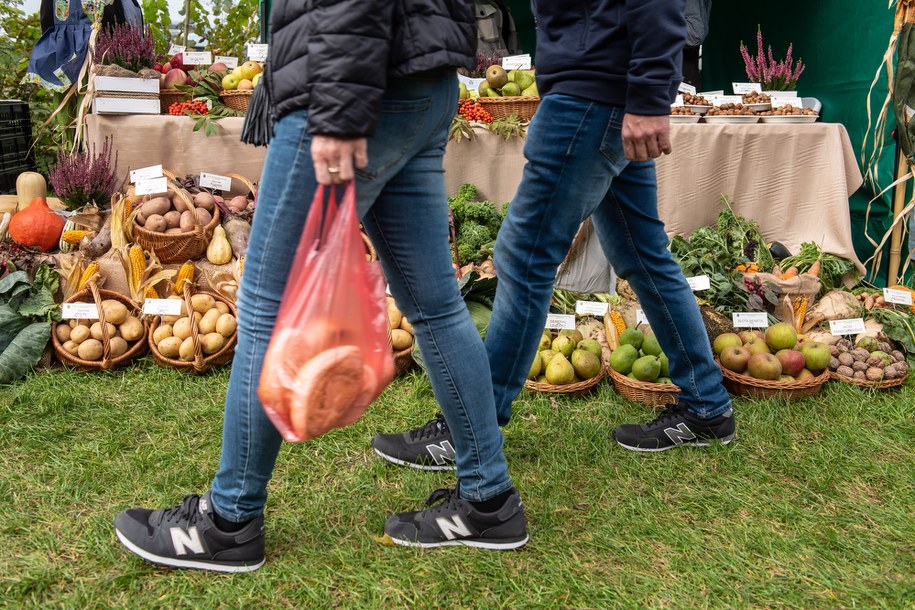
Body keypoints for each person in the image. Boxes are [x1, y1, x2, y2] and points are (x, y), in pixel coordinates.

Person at [112, 0, 527, 573]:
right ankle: (489, 501)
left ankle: (228, 523)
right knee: (435, 306)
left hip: (353, 82)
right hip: (422, 80)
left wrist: (338, 104)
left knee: (264, 307)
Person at [373, 0, 735, 469]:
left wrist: (648, 95)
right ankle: (707, 404)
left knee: (524, 260)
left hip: (591, 97)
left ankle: (471, 430)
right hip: (601, 89)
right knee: (643, 254)